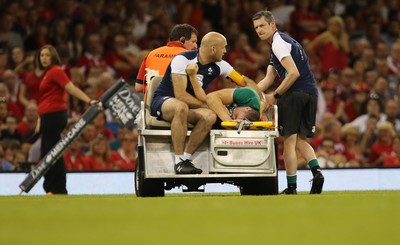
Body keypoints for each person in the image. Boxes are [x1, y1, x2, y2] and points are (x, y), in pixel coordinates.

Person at [150, 31, 248, 175]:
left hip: (190, 105)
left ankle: (185, 158)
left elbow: (243, 82)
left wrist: (260, 94)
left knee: (210, 116)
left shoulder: (221, 65)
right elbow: (180, 95)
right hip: (164, 100)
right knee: (180, 106)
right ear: (213, 49)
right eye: (224, 47)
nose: (226, 51)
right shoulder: (182, 59)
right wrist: (208, 105)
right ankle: (178, 160)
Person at [252, 10, 324, 194]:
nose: (259, 30)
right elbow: (268, 79)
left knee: (289, 143)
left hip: (293, 94)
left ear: (273, 24)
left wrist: (274, 96)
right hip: (310, 93)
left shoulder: (278, 44)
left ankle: (291, 187)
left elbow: (293, 73)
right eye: (256, 27)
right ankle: (317, 172)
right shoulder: (282, 43)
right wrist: (249, 94)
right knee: (301, 140)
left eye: (262, 26)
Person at [35, 44, 102, 194]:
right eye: (41, 55)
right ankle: (52, 187)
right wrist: (40, 120)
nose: (44, 58)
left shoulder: (56, 71)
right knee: (49, 151)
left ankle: (57, 188)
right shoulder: (48, 73)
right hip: (47, 116)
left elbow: (70, 88)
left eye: (47, 55)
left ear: (53, 57)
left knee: (52, 152)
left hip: (54, 115)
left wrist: (88, 100)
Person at [135, 24, 199, 93]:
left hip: (151, 102)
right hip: (177, 101)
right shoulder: (192, 56)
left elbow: (139, 87)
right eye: (193, 42)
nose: (196, 46)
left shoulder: (151, 54)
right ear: (182, 40)